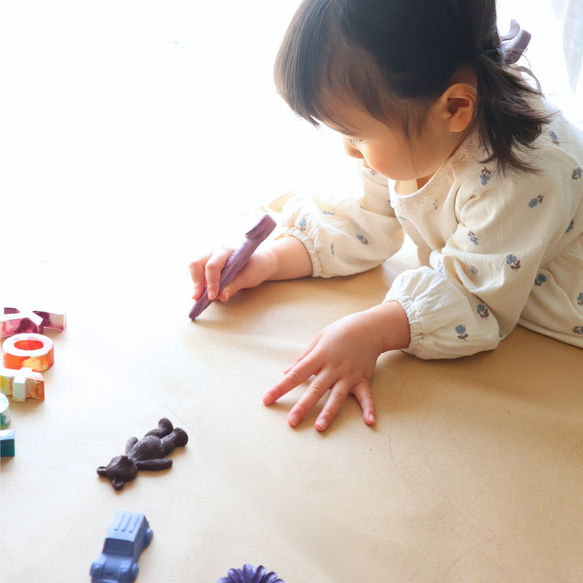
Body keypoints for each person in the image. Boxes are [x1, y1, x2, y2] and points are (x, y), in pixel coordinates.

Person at [190, 0, 583, 432]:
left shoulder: (527, 173)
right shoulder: (414, 121)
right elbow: (364, 220)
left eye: (355, 135)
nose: (347, 149)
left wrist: (373, 331)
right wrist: (270, 260)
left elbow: (475, 296)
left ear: (455, 109)